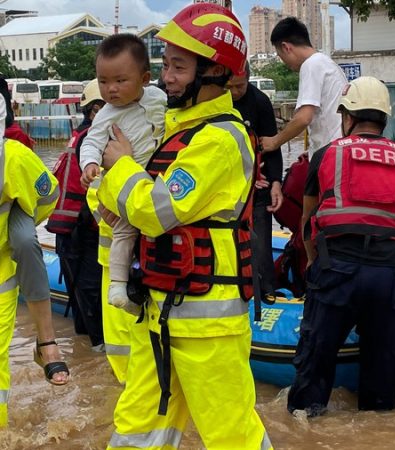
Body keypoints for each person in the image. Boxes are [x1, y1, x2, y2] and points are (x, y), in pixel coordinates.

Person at [97, 4, 272, 448]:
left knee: (232, 435)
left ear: (215, 71)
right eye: (164, 65)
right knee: (136, 428)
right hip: (157, 313)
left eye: (178, 67)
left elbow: (155, 211)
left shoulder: (219, 139)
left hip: (207, 326)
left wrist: (118, 169)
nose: (166, 78)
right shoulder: (175, 129)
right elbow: (124, 206)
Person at [287, 76, 395, 416]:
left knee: (315, 362)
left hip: (338, 270)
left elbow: (308, 222)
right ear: (384, 119)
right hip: (391, 274)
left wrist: (312, 267)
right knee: (384, 369)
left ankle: (308, 425)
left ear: (348, 118)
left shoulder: (326, 155)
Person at [79, 33, 167, 312]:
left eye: (120, 81)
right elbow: (91, 141)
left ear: (144, 79)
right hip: (124, 182)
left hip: (151, 180)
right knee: (125, 230)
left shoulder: (159, 98)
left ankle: (140, 283)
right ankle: (118, 284)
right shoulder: (106, 114)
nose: (111, 90)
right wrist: (90, 164)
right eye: (103, 82)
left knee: (151, 226)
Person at [0, 78, 70, 392]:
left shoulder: (15, 154)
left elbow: (47, 195)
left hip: (11, 247)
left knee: (27, 241)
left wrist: (19, 216)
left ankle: (47, 341)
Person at [47, 79, 106, 352]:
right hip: (83, 230)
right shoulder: (94, 140)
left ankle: (86, 349)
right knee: (89, 289)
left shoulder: (82, 136)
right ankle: (98, 347)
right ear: (95, 109)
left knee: (81, 291)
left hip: (68, 229)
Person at [229, 63, 284, 297]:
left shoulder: (259, 101)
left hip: (258, 183)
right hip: (228, 183)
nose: (234, 92)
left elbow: (273, 144)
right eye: (229, 87)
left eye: (240, 86)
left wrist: (275, 182)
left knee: (260, 239)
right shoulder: (213, 101)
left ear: (248, 80)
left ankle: (266, 288)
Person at [261, 16, 348, 156]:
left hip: (330, 155)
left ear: (286, 47)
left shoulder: (311, 65)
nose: (284, 62)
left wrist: (274, 142)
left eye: (280, 55)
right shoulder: (327, 63)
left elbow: (303, 118)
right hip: (338, 150)